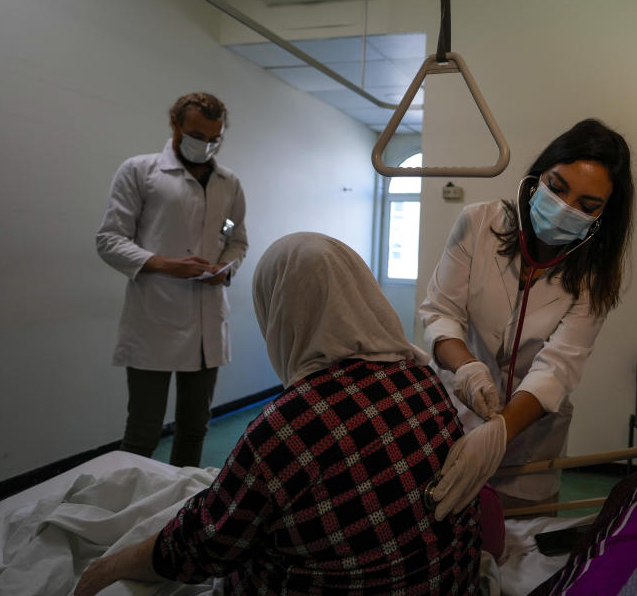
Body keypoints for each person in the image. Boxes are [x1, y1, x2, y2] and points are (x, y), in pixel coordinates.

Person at [75, 233, 481, 596]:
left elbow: (201, 549)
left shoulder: (293, 423)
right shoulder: (423, 380)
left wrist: (110, 566)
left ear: (282, 310)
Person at [421, 118, 635, 518]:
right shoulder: (479, 222)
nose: (564, 209)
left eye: (587, 206)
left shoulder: (596, 276)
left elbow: (558, 367)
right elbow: (441, 312)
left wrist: (499, 433)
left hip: (530, 436)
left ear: (603, 216)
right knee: (442, 522)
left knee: (519, 547)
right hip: (454, 405)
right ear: (536, 178)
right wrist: (466, 367)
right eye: (556, 188)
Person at [96, 92, 248, 468]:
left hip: (206, 319)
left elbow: (238, 240)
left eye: (215, 138)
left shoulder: (229, 183)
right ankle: (130, 508)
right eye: (197, 134)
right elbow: (109, 240)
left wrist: (225, 269)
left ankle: (181, 509)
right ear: (176, 126)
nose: (206, 144)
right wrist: (163, 264)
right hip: (155, 319)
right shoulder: (140, 171)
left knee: (195, 427)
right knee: (143, 434)